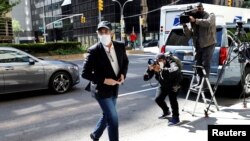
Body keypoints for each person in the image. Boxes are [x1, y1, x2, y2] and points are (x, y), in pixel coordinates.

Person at [82, 21, 129, 141]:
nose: (103, 34)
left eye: (106, 31)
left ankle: (95, 134)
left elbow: (125, 62)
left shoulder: (120, 46)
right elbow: (85, 73)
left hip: (115, 88)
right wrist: (104, 80)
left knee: (107, 114)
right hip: (101, 90)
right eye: (100, 31)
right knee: (113, 118)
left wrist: (123, 74)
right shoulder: (93, 51)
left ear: (111, 32)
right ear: (97, 33)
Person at [183, 3, 216, 88]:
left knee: (205, 64)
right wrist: (184, 25)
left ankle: (204, 84)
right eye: (196, 8)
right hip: (198, 46)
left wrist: (195, 21)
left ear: (202, 8)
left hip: (208, 44)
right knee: (198, 65)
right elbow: (189, 35)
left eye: (199, 8)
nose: (198, 10)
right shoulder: (194, 18)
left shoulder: (211, 15)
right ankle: (199, 82)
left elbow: (208, 23)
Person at [143, 53, 182, 126]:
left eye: (161, 60)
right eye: (158, 61)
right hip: (163, 84)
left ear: (165, 60)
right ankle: (166, 111)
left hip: (173, 84)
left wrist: (162, 69)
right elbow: (147, 76)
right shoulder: (156, 64)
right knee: (158, 99)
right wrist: (148, 72)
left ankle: (176, 118)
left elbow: (174, 70)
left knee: (172, 100)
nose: (159, 62)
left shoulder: (171, 62)